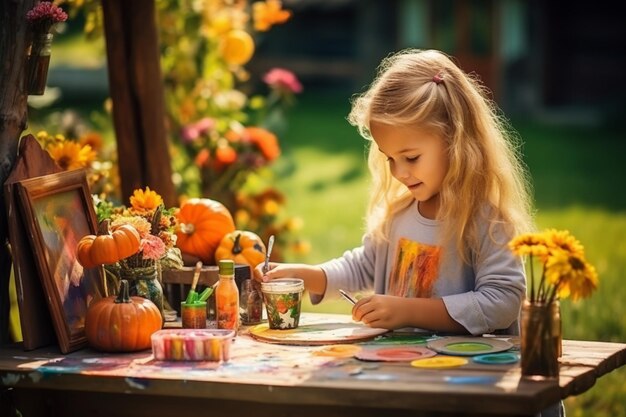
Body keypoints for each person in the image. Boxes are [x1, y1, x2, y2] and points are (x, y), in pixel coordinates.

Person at [254, 48, 534, 336]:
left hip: (466, 373)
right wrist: (307, 276)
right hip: (399, 371)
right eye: (390, 158)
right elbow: (363, 267)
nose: (399, 172)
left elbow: (503, 302)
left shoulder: (486, 220)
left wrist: (407, 311)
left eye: (411, 158)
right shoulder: (399, 213)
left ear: (456, 142)